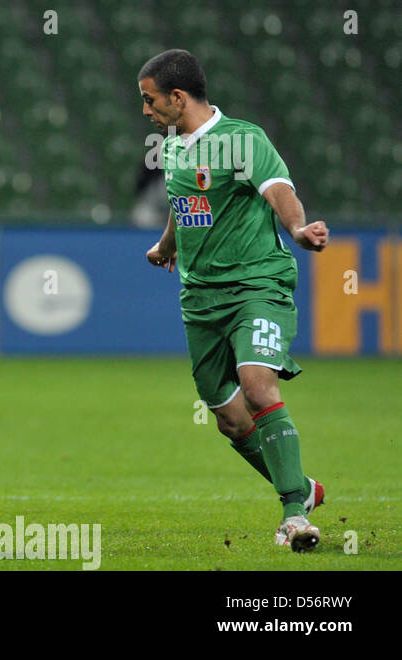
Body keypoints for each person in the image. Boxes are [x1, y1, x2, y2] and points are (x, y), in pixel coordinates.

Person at [140, 50, 330, 552]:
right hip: (200, 297)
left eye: (149, 99)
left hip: (256, 286)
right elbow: (186, 203)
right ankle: (304, 487)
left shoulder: (242, 140)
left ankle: (294, 516)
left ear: (177, 97)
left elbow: (278, 188)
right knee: (228, 416)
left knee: (257, 383)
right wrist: (168, 245)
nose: (145, 110)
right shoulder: (175, 144)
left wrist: (297, 228)